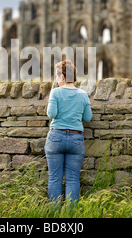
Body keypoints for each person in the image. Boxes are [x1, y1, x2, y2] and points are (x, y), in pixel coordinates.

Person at [45, 60, 93, 206]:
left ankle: (54, 212)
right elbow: (87, 118)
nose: (56, 79)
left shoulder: (55, 92)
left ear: (63, 77)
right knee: (73, 179)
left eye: (57, 76)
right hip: (76, 139)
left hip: (56, 138)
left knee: (54, 178)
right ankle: (71, 213)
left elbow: (51, 113)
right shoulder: (83, 94)